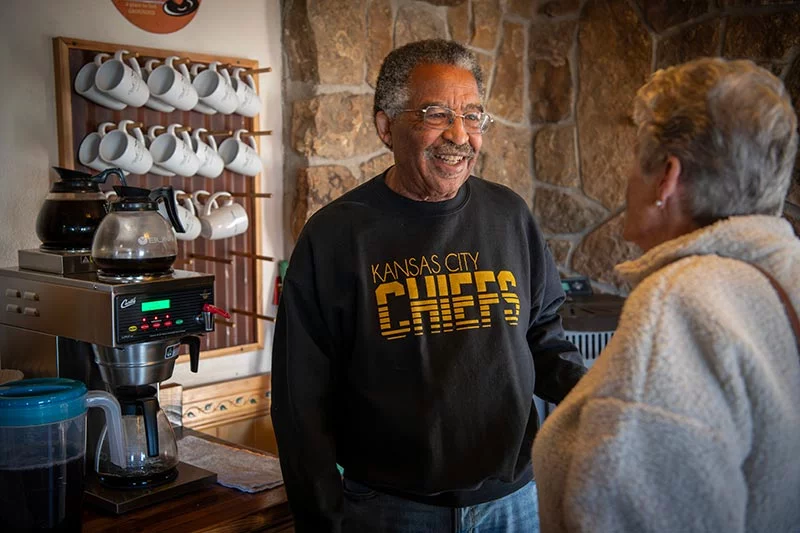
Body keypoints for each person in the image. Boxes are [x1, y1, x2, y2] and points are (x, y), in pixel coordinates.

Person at [271, 39, 587, 533]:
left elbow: (543, 338)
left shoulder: (509, 215)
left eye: (474, 115)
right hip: (389, 511)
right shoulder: (336, 235)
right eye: (437, 114)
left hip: (514, 504)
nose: (460, 135)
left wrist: (602, 399)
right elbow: (299, 400)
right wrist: (323, 520)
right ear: (385, 127)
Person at [532, 57, 800, 532]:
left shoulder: (679, 305)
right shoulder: (785, 272)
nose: (627, 178)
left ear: (667, 178)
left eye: (635, 157)